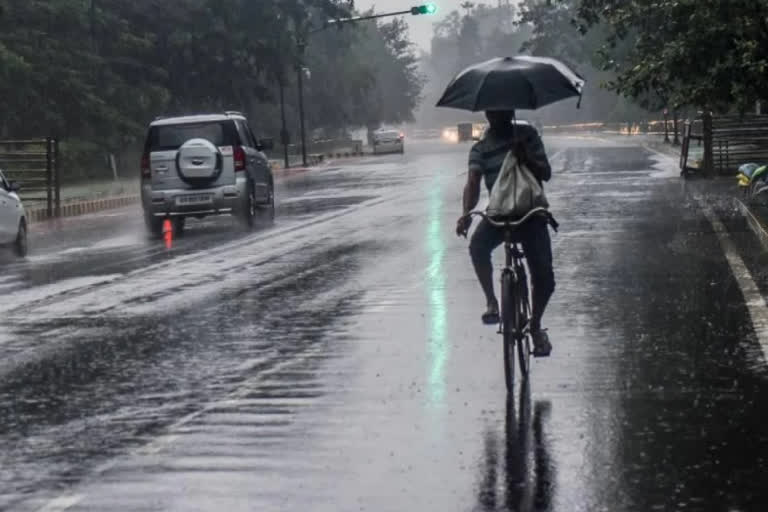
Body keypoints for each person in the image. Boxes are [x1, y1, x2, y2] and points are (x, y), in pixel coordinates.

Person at [455, 110, 555, 357]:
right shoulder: (480, 149)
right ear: (487, 114)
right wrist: (466, 213)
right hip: (499, 215)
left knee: (544, 277)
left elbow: (546, 172)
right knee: (477, 247)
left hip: (530, 214)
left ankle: (535, 325)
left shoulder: (528, 135)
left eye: (501, 110)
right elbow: (473, 183)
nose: (496, 115)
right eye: (492, 111)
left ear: (509, 111)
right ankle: (492, 301)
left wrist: (527, 157)